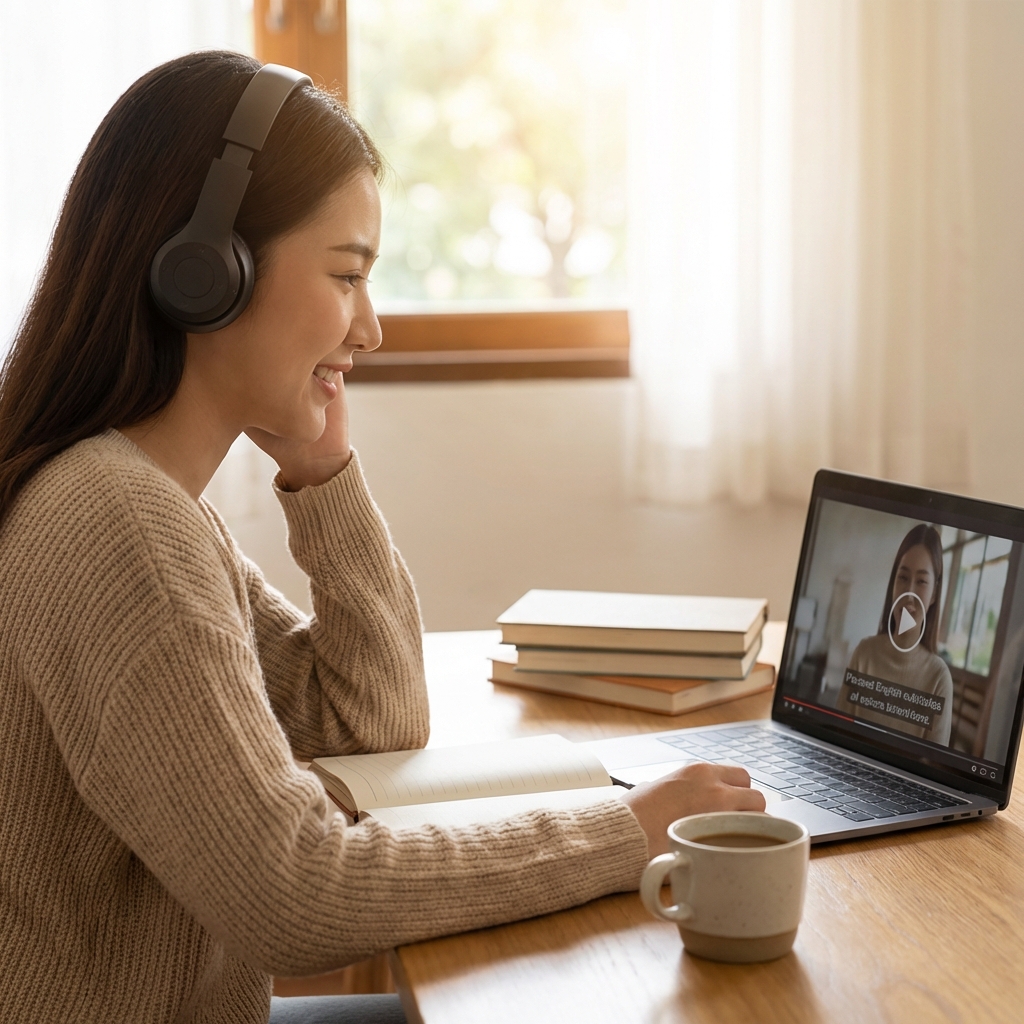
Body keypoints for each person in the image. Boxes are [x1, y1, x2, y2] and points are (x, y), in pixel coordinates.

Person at [0, 52, 765, 1024]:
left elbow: (369, 717)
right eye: (347, 275)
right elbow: (296, 895)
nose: (369, 330)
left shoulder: (145, 502)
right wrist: (623, 832)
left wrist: (322, 475)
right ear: (206, 273)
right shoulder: (118, 524)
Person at [838, 524, 954, 745]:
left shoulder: (938, 678)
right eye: (902, 577)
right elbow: (839, 736)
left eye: (921, 581)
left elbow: (933, 768)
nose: (909, 593)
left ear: (934, 594)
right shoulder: (864, 653)